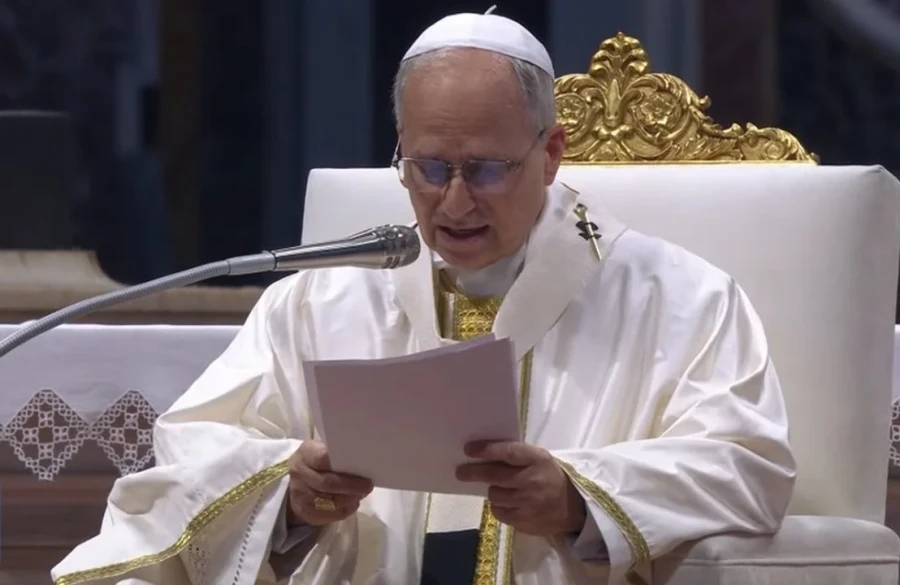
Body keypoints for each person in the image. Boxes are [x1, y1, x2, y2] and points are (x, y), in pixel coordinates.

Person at [51, 10, 796, 585]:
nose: (455, 201)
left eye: (487, 169)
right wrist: (288, 488)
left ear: (552, 153)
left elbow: (747, 462)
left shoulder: (677, 297)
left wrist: (579, 497)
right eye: (429, 167)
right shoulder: (320, 299)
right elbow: (193, 449)